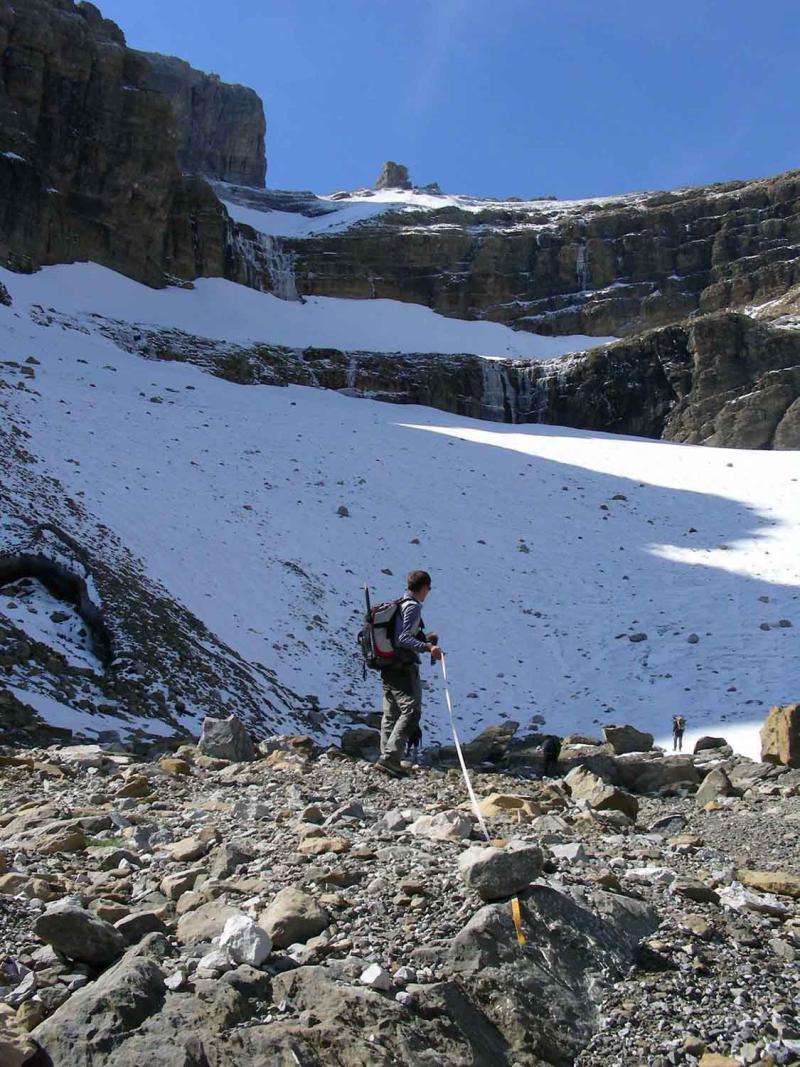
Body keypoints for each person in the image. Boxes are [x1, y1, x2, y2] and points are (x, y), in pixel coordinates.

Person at [375, 570, 443, 778]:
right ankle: (390, 758)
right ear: (424, 587)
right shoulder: (412, 607)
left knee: (391, 713)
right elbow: (403, 638)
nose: (428, 592)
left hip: (387, 665)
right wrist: (427, 648)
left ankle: (387, 759)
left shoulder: (399, 604)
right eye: (429, 588)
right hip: (402, 667)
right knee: (411, 711)